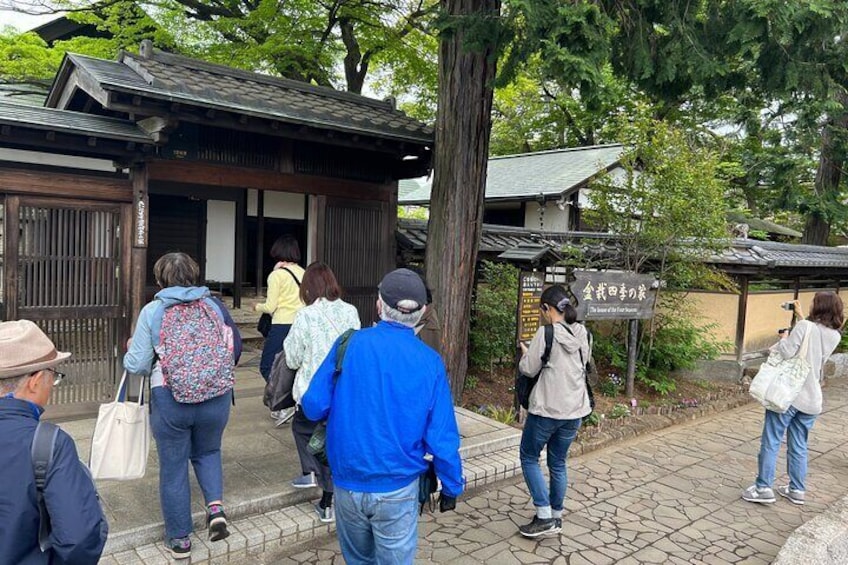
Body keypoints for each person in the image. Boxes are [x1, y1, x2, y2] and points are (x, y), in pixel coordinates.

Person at [302, 268, 464, 564]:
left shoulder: (347, 345)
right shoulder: (430, 363)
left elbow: (313, 406)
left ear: (379, 305)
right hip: (398, 486)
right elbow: (442, 437)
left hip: (347, 481)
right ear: (423, 311)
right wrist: (451, 486)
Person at [124, 252, 242, 560]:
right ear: (194, 275)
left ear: (160, 279)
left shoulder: (153, 311)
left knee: (174, 467)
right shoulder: (214, 306)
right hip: (216, 396)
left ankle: (179, 540)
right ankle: (215, 508)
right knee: (208, 451)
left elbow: (136, 364)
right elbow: (233, 347)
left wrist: (130, 351)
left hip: (171, 399)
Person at [0, 320, 108, 564]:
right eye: (54, 377)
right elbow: (79, 537)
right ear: (35, 380)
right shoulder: (48, 443)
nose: (53, 385)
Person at [742, 292, 844, 506]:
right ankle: (797, 489)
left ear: (819, 307)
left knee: (772, 440)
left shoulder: (804, 327)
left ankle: (763, 488)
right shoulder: (835, 335)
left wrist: (783, 338)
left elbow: (788, 352)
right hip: (812, 399)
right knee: (799, 444)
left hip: (788, 395)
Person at [283, 262, 361, 523]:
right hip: (344, 390)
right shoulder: (351, 311)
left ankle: (314, 476)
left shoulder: (306, 315)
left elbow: (293, 359)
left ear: (308, 287)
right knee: (330, 437)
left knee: (303, 429)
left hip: (314, 392)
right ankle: (327, 497)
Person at [516, 285, 591, 538]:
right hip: (575, 411)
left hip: (547, 409)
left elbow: (528, 369)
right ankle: (556, 516)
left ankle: (544, 516)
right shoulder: (584, 333)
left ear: (547, 309)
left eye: (543, 310)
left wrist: (526, 354)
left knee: (528, 457)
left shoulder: (546, 333)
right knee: (557, 462)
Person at [255, 235, 305, 426]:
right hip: (300, 324)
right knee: (293, 363)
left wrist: (256, 306)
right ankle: (293, 400)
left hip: (282, 324)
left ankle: (284, 405)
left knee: (268, 365)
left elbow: (270, 306)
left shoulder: (277, 275)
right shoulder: (303, 272)